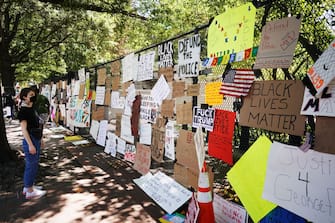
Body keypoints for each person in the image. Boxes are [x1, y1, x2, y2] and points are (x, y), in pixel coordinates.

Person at [17, 87, 46, 199]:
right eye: (31, 95)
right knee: (31, 165)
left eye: (34, 94)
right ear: (24, 97)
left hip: (36, 138)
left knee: (33, 164)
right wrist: (30, 145)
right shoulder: (23, 111)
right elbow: (24, 130)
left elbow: (36, 125)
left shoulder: (32, 108)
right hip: (30, 140)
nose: (33, 97)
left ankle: (28, 187)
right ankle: (30, 191)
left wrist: (41, 139)